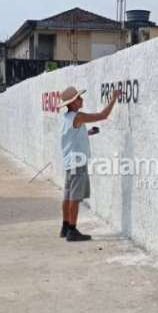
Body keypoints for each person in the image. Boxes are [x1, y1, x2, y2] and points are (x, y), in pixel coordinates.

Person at [59, 86, 120, 241]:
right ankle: (72, 231)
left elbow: (72, 136)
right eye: (79, 98)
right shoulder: (78, 116)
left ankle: (65, 227)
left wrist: (89, 133)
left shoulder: (66, 117)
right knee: (75, 197)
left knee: (67, 196)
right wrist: (113, 98)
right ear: (72, 103)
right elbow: (103, 115)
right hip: (77, 163)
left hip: (69, 162)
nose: (82, 100)